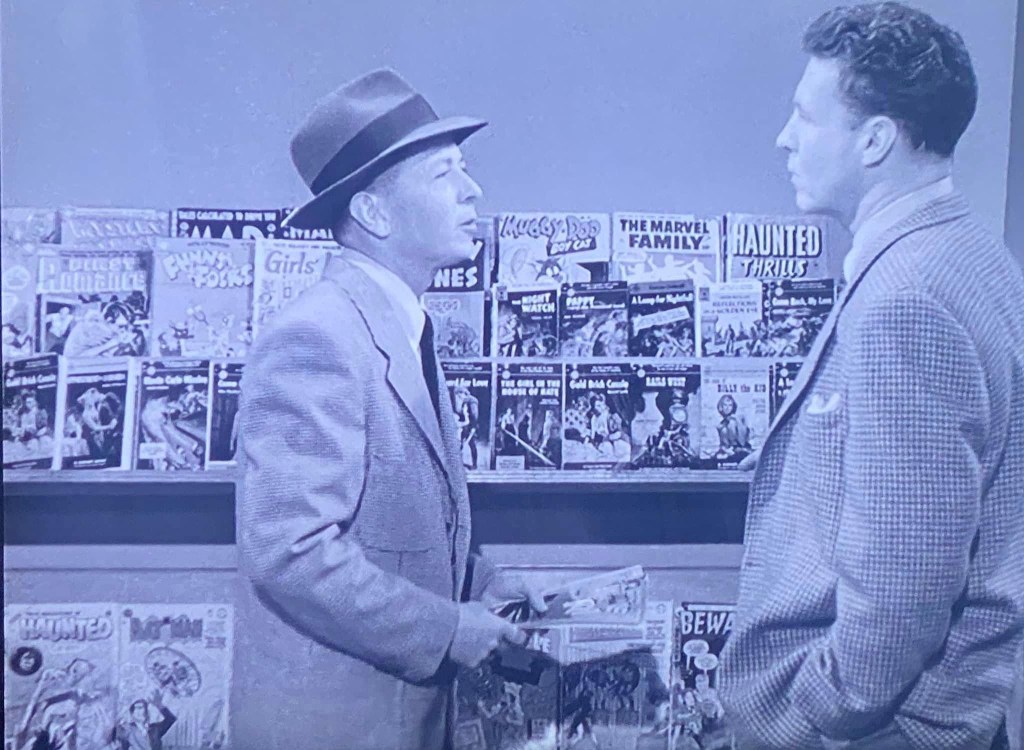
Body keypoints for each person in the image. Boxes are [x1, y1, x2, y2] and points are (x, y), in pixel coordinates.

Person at [719, 4, 1024, 749]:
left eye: (805, 116)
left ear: (876, 140)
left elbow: (905, 582)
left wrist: (823, 715)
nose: (784, 137)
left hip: (876, 729)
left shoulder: (905, 299)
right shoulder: (971, 252)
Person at [232, 68, 546, 750]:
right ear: (374, 213)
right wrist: (450, 630)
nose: (472, 191)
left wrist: (481, 583)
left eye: (465, 170)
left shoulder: (397, 326)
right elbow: (290, 551)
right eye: (444, 174)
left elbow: (392, 528)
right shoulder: (318, 335)